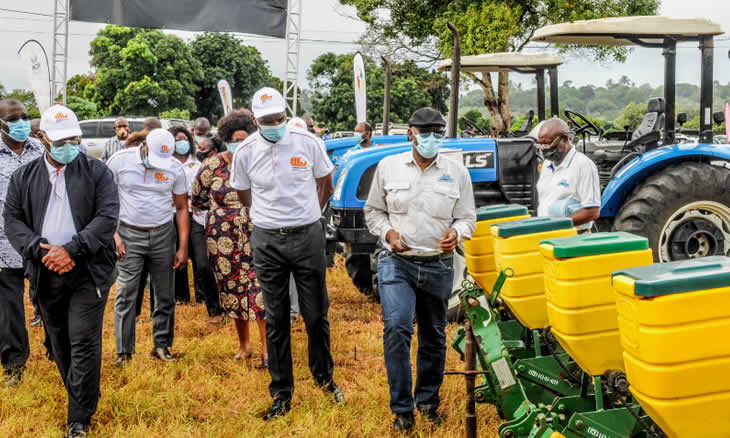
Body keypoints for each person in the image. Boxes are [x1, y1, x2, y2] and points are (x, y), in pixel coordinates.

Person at [3, 104, 119, 438]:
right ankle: (83, 393)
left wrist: (72, 249)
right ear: (43, 138)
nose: (69, 146)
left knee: (83, 339)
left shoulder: (97, 172)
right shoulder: (24, 177)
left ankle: (78, 419)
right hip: (45, 270)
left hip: (88, 270)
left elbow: (107, 217)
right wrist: (41, 249)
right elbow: (12, 220)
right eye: (60, 141)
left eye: (74, 139)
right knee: (59, 342)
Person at [231, 87, 343, 420]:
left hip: (307, 236)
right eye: (267, 120)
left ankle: (324, 379)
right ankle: (281, 393)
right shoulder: (245, 151)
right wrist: (266, 215)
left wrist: (312, 213)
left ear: (286, 114)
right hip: (268, 241)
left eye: (279, 118)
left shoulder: (308, 143)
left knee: (315, 314)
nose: (275, 124)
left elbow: (326, 181)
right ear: (255, 121)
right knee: (276, 318)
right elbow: (243, 191)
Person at [364, 107, 476, 431]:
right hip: (397, 262)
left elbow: (468, 217)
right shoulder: (388, 167)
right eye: (425, 132)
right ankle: (402, 411)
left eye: (437, 132)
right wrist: (388, 233)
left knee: (434, 335)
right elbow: (373, 211)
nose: (431, 138)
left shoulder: (457, 172)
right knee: (397, 328)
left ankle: (427, 404)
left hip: (438, 264)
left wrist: (456, 232)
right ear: (410, 133)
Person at [107, 128, 189, 366]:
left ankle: (161, 345)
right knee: (126, 292)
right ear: (144, 146)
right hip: (128, 233)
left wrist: (183, 247)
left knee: (165, 293)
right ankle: (124, 352)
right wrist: (114, 235)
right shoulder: (119, 161)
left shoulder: (174, 167)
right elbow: (104, 201)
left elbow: (182, 208)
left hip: (163, 233)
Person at [193, 110, 267, 365]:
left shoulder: (261, 161)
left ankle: (267, 349)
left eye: (244, 139)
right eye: (235, 140)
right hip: (222, 239)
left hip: (258, 233)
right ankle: (244, 346)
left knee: (260, 289)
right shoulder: (211, 165)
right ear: (226, 139)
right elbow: (198, 199)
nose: (240, 144)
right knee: (232, 290)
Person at [0, 99, 44, 387]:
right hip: (3, 247)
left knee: (50, 301)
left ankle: (56, 349)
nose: (21, 123)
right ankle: (14, 365)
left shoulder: (41, 150)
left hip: (42, 242)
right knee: (9, 310)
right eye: (13, 119)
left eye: (25, 117)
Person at [535, 118, 601, 232]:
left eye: (548, 145)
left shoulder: (583, 165)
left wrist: (557, 225)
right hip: (548, 233)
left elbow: (592, 212)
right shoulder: (546, 165)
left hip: (574, 235)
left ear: (565, 139)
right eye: (541, 146)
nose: (545, 151)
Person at [170, 126, 202, 305]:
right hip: (173, 213)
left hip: (194, 214)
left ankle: (201, 295)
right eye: (177, 140)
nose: (181, 143)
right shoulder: (167, 163)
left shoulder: (198, 162)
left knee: (198, 255)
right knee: (177, 252)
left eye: (184, 139)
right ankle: (181, 296)